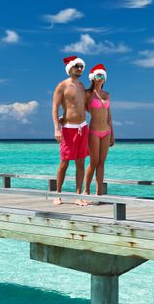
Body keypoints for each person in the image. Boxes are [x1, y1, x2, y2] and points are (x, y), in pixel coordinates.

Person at [51, 55, 89, 205]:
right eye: (77, 66)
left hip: (83, 128)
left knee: (80, 163)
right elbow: (54, 107)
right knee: (64, 163)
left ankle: (78, 196)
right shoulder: (62, 86)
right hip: (68, 129)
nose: (80, 69)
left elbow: (82, 106)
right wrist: (56, 128)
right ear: (70, 68)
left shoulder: (81, 86)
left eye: (81, 67)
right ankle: (57, 193)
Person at [83, 64, 114, 203]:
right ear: (93, 77)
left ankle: (99, 194)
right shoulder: (88, 94)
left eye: (102, 75)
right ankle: (86, 191)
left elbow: (109, 115)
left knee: (102, 163)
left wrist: (112, 134)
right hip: (94, 131)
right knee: (94, 161)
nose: (100, 78)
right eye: (98, 75)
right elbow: (79, 108)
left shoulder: (107, 95)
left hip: (106, 131)